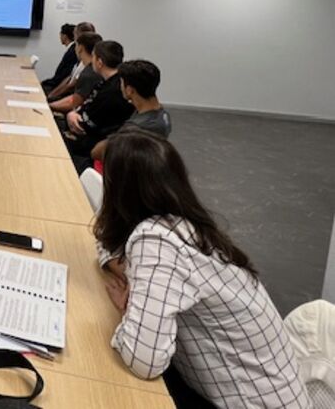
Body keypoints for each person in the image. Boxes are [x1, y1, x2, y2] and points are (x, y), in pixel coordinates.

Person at [95, 130, 309, 408]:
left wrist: (131, 309)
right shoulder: (186, 225)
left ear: (119, 190)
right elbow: (105, 241)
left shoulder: (156, 239)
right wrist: (134, 281)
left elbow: (143, 361)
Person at [64, 40, 134, 169]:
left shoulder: (111, 91)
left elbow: (82, 126)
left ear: (99, 62)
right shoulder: (110, 82)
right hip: (95, 134)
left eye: (93, 57)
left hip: (93, 143)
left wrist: (71, 115)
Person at [91, 59, 173, 163]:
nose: (120, 86)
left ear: (129, 90)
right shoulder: (163, 115)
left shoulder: (135, 128)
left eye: (121, 82)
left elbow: (96, 152)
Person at [50, 31, 102, 115]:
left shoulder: (88, 74)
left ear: (80, 48)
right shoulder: (91, 69)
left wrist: (49, 105)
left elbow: (74, 103)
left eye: (76, 45)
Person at [46, 21, 97, 101]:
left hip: (69, 97)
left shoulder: (87, 66)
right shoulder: (81, 61)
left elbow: (71, 86)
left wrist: (51, 97)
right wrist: (52, 95)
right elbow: (69, 78)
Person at [41, 23, 77, 93]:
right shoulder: (72, 49)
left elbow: (63, 76)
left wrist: (45, 83)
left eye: (60, 34)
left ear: (64, 36)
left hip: (58, 87)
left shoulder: (72, 52)